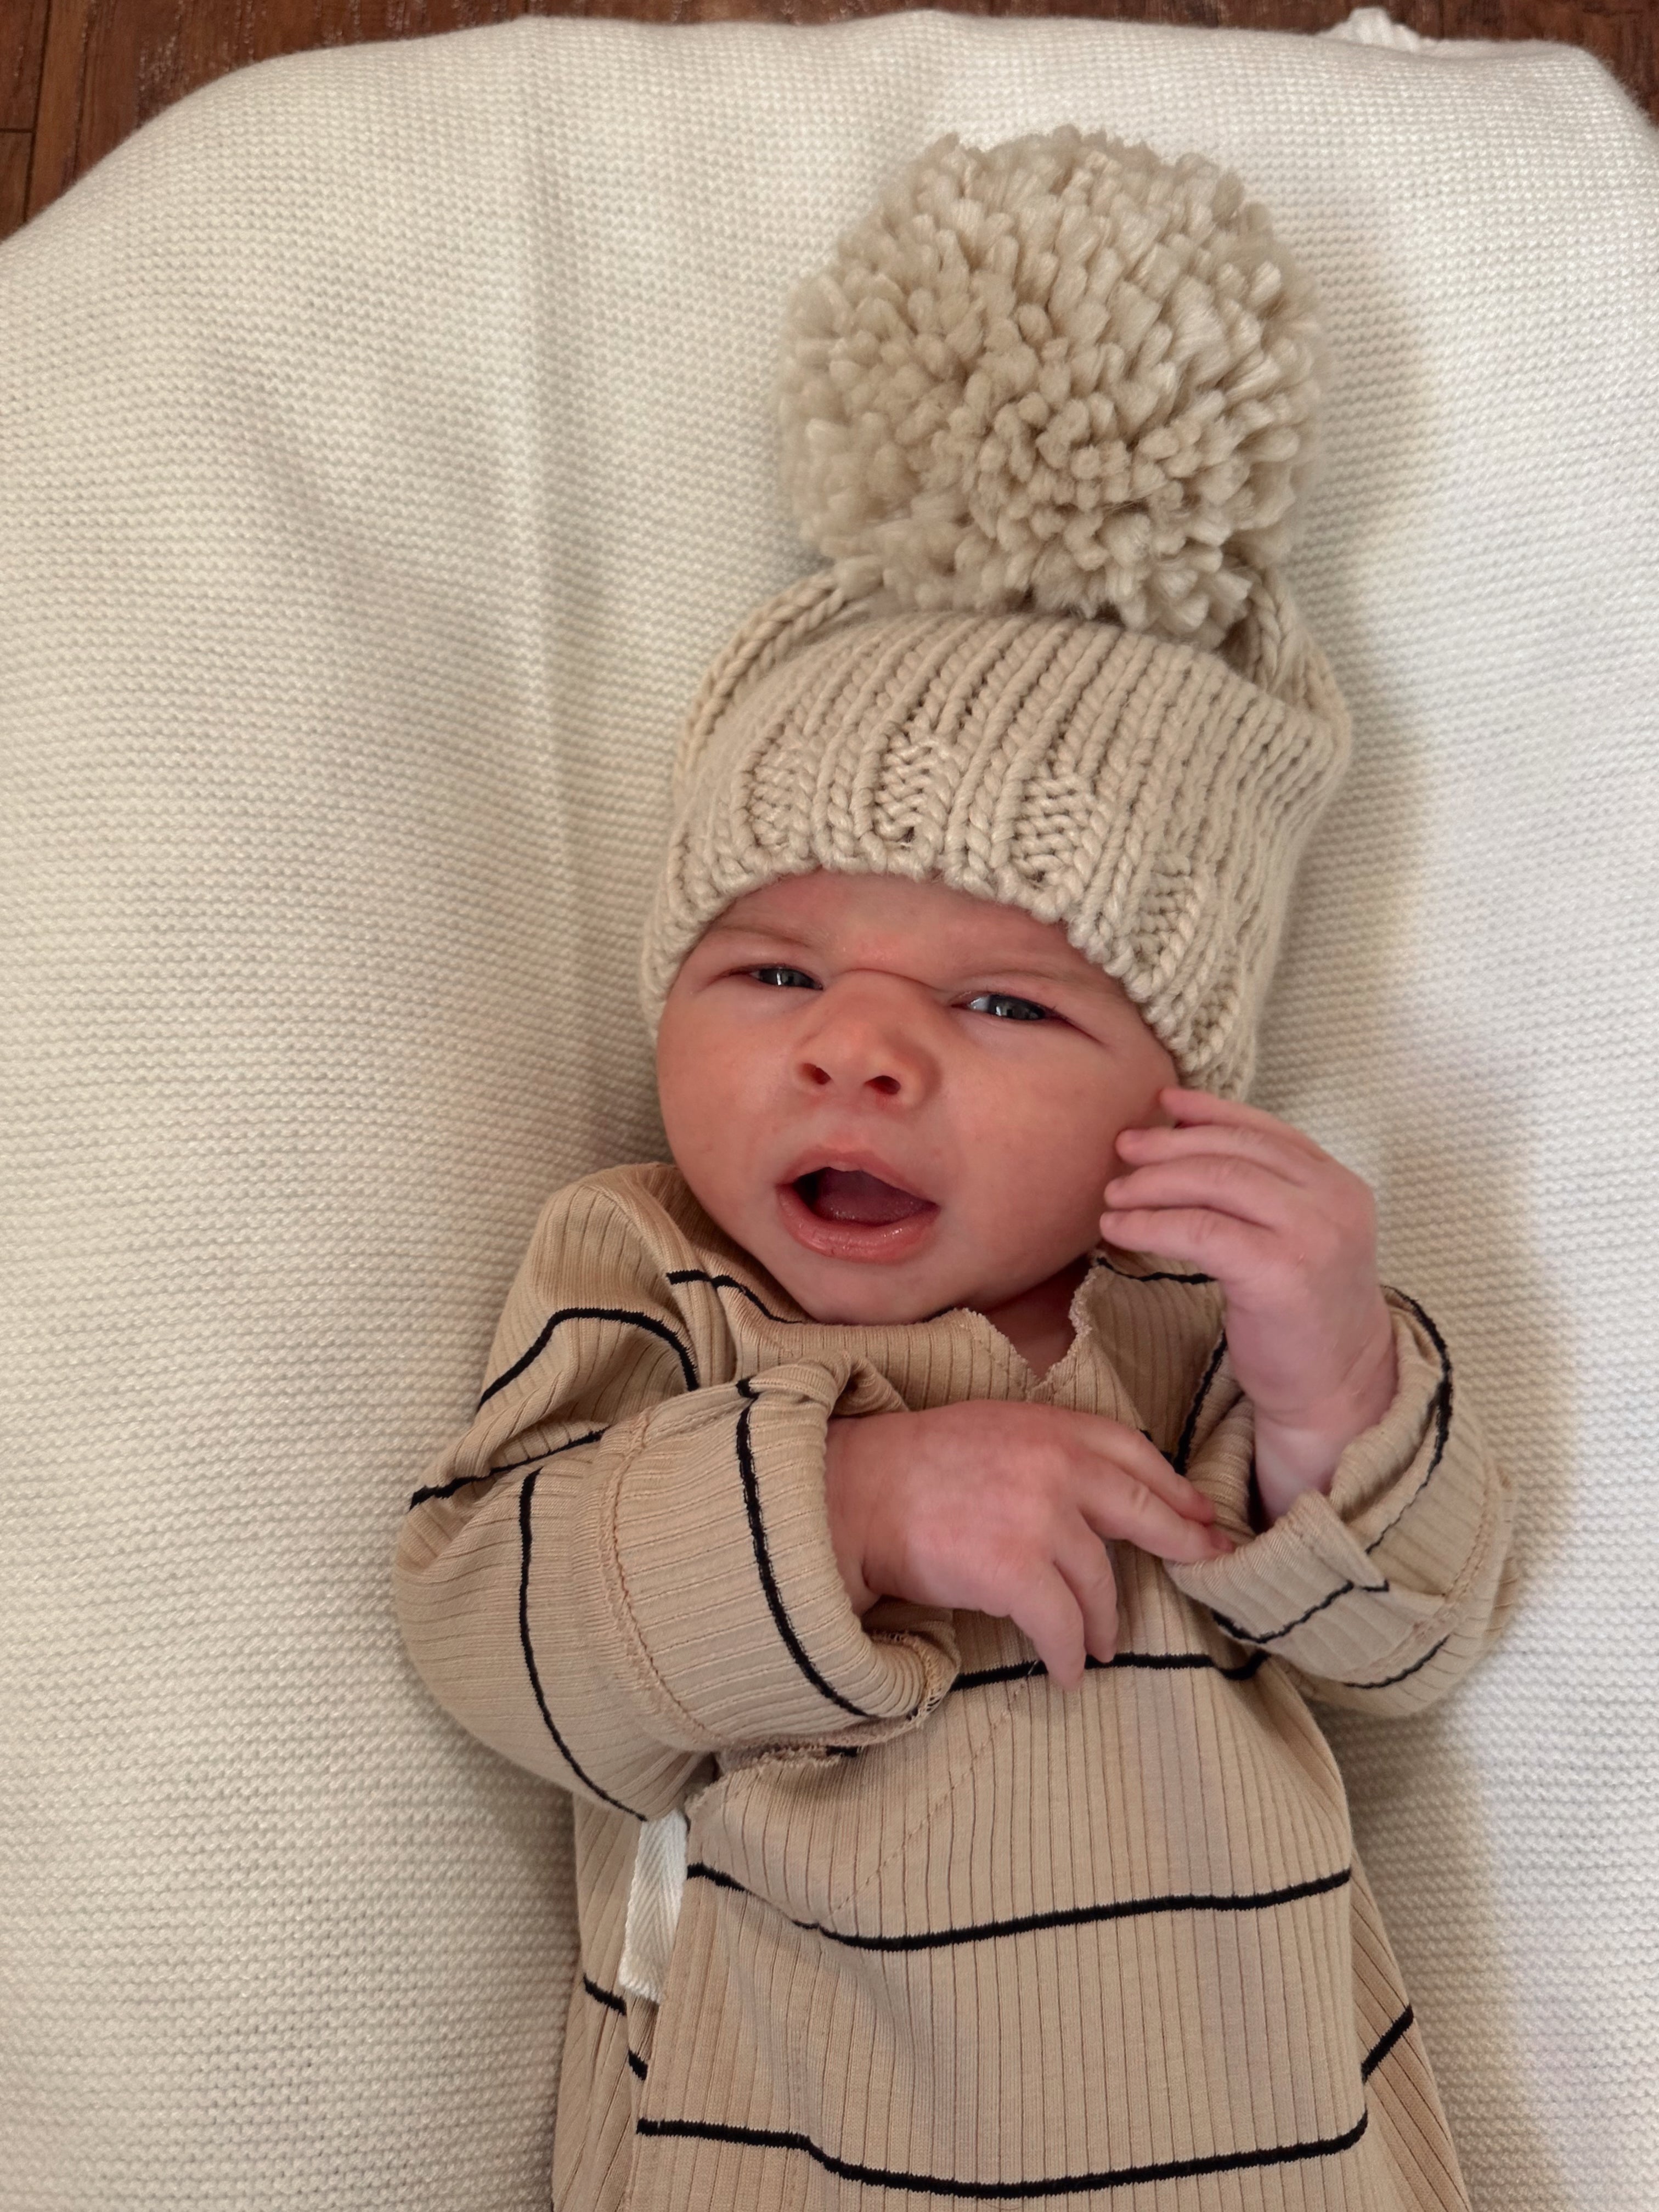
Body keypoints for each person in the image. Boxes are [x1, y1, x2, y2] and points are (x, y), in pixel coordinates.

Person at [393, 126, 1513, 2211]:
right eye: (775, 967)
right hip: (788, 2134)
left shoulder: (1187, 1316)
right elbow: (486, 1629)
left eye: (1005, 1009)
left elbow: (1414, 1650)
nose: (860, 1047)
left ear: (1167, 1095)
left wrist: (1336, 1389)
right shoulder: (650, 1274)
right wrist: (855, 1503)